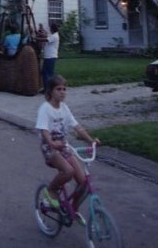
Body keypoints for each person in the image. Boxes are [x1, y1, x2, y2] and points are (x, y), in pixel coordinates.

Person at [36, 74, 100, 223]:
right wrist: (51, 143)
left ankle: (73, 209)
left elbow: (77, 127)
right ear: (50, 91)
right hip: (49, 149)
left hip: (63, 147)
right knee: (68, 171)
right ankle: (51, 190)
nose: (63, 92)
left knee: (83, 182)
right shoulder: (45, 109)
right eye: (59, 89)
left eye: (65, 89)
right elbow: (44, 131)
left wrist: (91, 141)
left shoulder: (64, 108)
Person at [41, 22, 60, 90]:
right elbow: (46, 36)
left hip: (51, 56)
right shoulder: (53, 35)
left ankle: (50, 89)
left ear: (52, 28)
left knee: (48, 73)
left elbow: (46, 39)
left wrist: (35, 38)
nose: (50, 29)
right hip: (48, 56)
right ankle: (46, 88)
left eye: (50, 28)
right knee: (44, 72)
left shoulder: (55, 36)